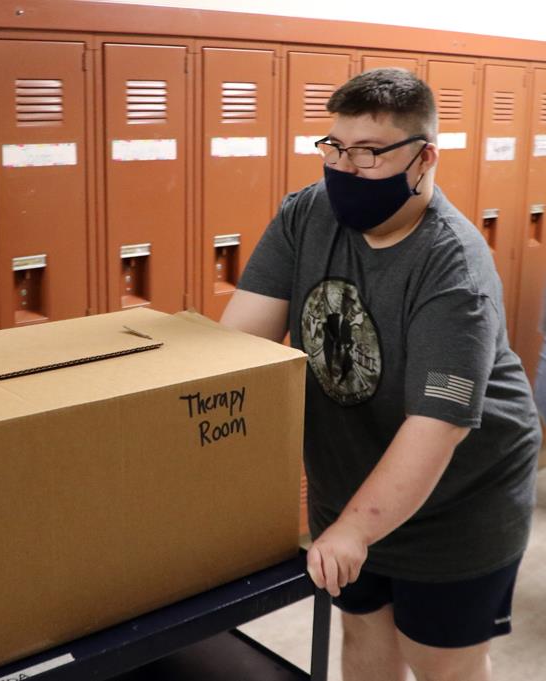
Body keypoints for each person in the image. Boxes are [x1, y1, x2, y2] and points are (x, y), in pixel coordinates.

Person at [220, 68, 540, 681]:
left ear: (424, 160)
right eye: (335, 148)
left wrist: (354, 532)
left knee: (439, 659)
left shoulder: (454, 271)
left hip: (458, 499)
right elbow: (239, 346)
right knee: (365, 638)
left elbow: (437, 427)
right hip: (351, 477)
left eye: (368, 154)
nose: (345, 169)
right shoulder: (308, 214)